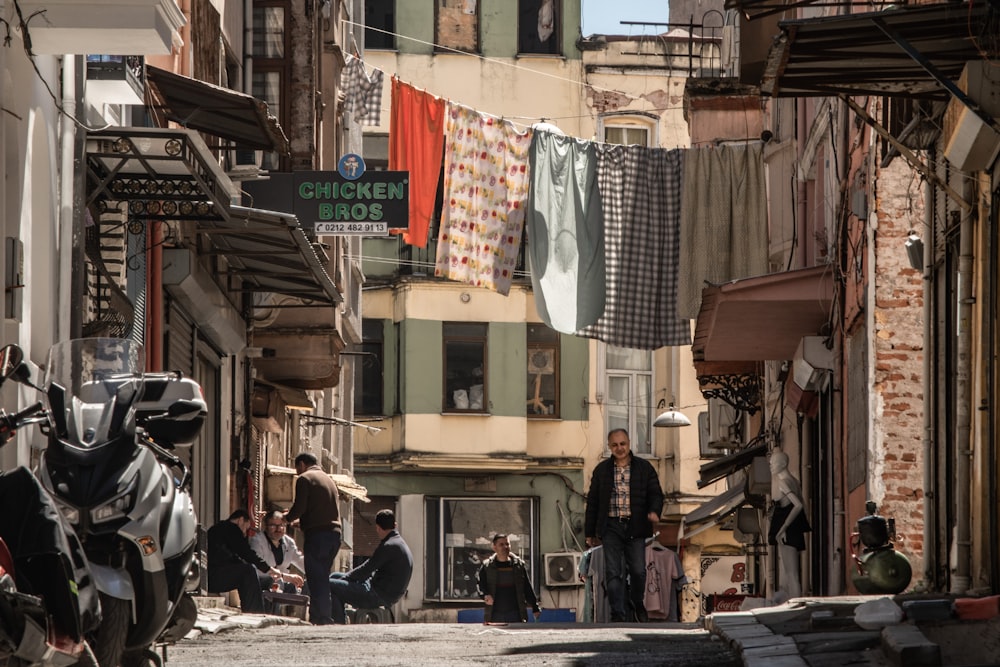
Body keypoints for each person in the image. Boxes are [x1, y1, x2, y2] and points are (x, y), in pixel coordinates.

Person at [584, 428, 664, 622]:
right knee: (613, 572)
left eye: (623, 444)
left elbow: (656, 493)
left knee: (638, 571)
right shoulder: (602, 470)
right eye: (615, 445)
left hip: (635, 527)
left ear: (629, 444)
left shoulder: (644, 468)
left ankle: (637, 603)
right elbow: (593, 501)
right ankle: (617, 613)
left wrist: (654, 511)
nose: (619, 448)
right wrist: (589, 532)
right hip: (610, 527)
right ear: (609, 447)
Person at [283, 452, 342, 625]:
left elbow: (299, 507)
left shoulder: (305, 479)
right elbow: (318, 513)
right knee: (322, 576)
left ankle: (322, 617)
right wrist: (299, 523)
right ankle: (321, 615)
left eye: (297, 469)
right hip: (334, 536)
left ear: (301, 464)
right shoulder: (328, 479)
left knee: (316, 577)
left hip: (318, 537)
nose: (297, 473)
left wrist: (286, 518)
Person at [327, 509, 413, 624]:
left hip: (376, 595)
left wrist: (346, 579)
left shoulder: (388, 546)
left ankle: (339, 623)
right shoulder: (398, 542)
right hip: (381, 591)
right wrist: (345, 579)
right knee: (335, 576)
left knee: (329, 584)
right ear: (395, 525)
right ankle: (339, 619)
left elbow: (366, 569)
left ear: (377, 528)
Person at [207, 509, 281, 613]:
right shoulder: (231, 528)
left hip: (210, 576)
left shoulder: (219, 530)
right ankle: (255, 612)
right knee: (248, 571)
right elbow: (247, 553)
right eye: (246, 528)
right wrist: (268, 569)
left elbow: (234, 558)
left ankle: (253, 610)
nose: (245, 534)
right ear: (241, 520)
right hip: (213, 576)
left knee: (247, 570)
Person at [768, 449, 809, 600]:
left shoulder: (784, 483)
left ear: (783, 464)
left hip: (787, 530)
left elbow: (798, 505)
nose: (771, 466)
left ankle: (795, 602)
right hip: (793, 528)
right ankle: (793, 601)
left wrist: (783, 527)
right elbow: (803, 505)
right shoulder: (795, 481)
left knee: (791, 572)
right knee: (792, 572)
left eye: (774, 463)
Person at [476, 533, 541, 623]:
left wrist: (535, 607)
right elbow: (480, 585)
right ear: (494, 547)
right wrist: (485, 595)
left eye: (507, 544)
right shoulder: (487, 566)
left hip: (516, 613)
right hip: (494, 613)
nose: (505, 547)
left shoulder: (518, 566)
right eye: (501, 545)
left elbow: (527, 587)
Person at [250, 510, 306, 594]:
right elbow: (259, 569)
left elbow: (300, 560)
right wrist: (285, 576)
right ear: (266, 526)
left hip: (282, 584)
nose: (278, 529)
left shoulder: (289, 543)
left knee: (309, 586)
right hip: (262, 583)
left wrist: (315, 571)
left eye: (281, 525)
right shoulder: (257, 541)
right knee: (274, 583)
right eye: (273, 525)